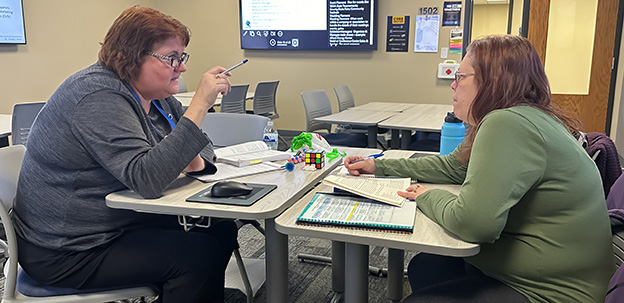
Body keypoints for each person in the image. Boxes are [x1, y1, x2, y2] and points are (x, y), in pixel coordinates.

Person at [345, 35, 614, 303]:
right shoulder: (523, 117)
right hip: (546, 273)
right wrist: (377, 164)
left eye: (460, 76)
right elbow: (453, 167)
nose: (453, 85)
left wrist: (427, 196)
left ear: (492, 81)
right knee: (426, 266)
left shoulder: (507, 123)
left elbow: (473, 224)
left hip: (553, 293)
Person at [13, 6, 238, 303]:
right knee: (198, 255)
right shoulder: (97, 96)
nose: (181, 68)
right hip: (66, 248)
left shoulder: (156, 98)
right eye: (172, 58)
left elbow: (199, 144)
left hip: (115, 224)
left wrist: (189, 157)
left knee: (220, 229)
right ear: (133, 56)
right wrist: (200, 105)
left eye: (181, 57)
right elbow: (148, 179)